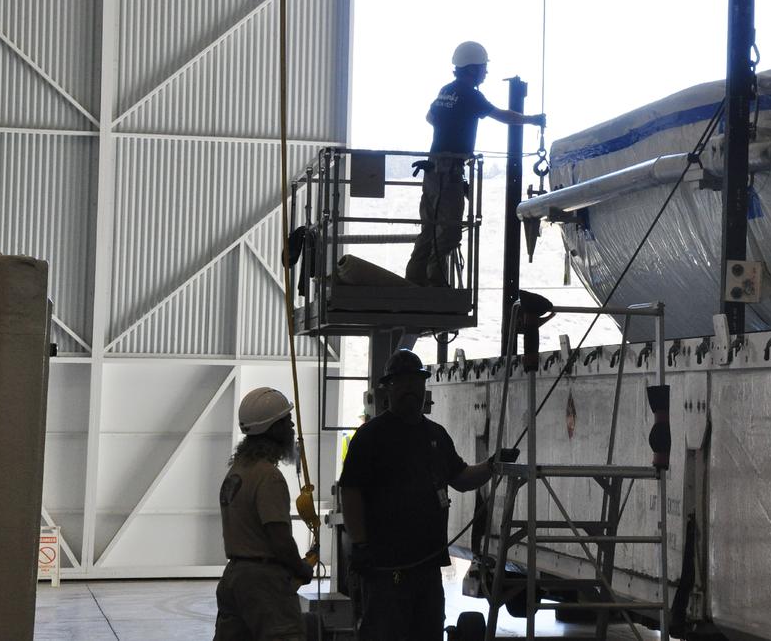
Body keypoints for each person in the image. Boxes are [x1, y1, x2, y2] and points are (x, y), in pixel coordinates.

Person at [339, 349, 514, 640]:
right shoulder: (371, 437)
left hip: (427, 566)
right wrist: (360, 545)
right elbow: (351, 491)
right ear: (389, 387)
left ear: (424, 387)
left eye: (416, 382)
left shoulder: (436, 436)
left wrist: (492, 465)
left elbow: (460, 477)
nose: (410, 388)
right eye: (402, 382)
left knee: (428, 632)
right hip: (385, 567)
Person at [406, 40, 545, 287]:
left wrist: (451, 126)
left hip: (433, 168)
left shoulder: (446, 90)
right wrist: (533, 120)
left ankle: (414, 281)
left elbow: (430, 117)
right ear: (471, 69)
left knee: (429, 227)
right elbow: (502, 116)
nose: (486, 72)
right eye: (483, 67)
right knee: (448, 229)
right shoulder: (470, 94)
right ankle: (434, 284)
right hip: (450, 170)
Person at [214, 387, 315, 641]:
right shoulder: (269, 477)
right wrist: (300, 567)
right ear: (272, 429)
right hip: (264, 585)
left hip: (234, 578)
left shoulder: (237, 471)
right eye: (287, 422)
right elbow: (278, 538)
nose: (292, 428)